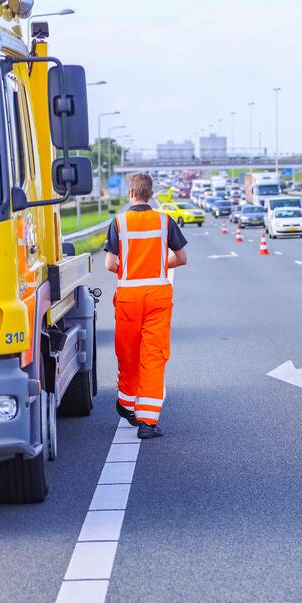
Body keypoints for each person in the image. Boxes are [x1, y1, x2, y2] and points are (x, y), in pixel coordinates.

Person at [104, 172, 188, 439]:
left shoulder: (119, 222)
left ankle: (126, 404)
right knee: (153, 356)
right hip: (157, 298)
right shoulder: (165, 221)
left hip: (129, 298)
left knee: (128, 352)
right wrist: (159, 266)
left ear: (131, 194)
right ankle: (148, 423)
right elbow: (182, 258)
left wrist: (129, 273)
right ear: (150, 194)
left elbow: (109, 265)